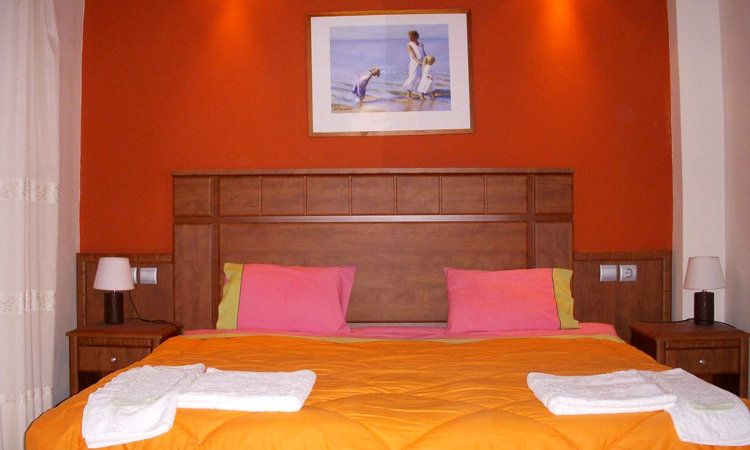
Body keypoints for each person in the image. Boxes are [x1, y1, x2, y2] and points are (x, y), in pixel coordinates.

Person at [402, 30, 425, 98]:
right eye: (410, 37)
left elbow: (424, 53)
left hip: (422, 64)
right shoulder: (409, 45)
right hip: (414, 64)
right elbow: (413, 56)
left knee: (422, 78)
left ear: (417, 36)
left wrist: (427, 61)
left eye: (413, 37)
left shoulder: (421, 44)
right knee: (412, 78)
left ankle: (421, 95)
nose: (412, 38)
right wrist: (420, 63)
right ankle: (408, 94)